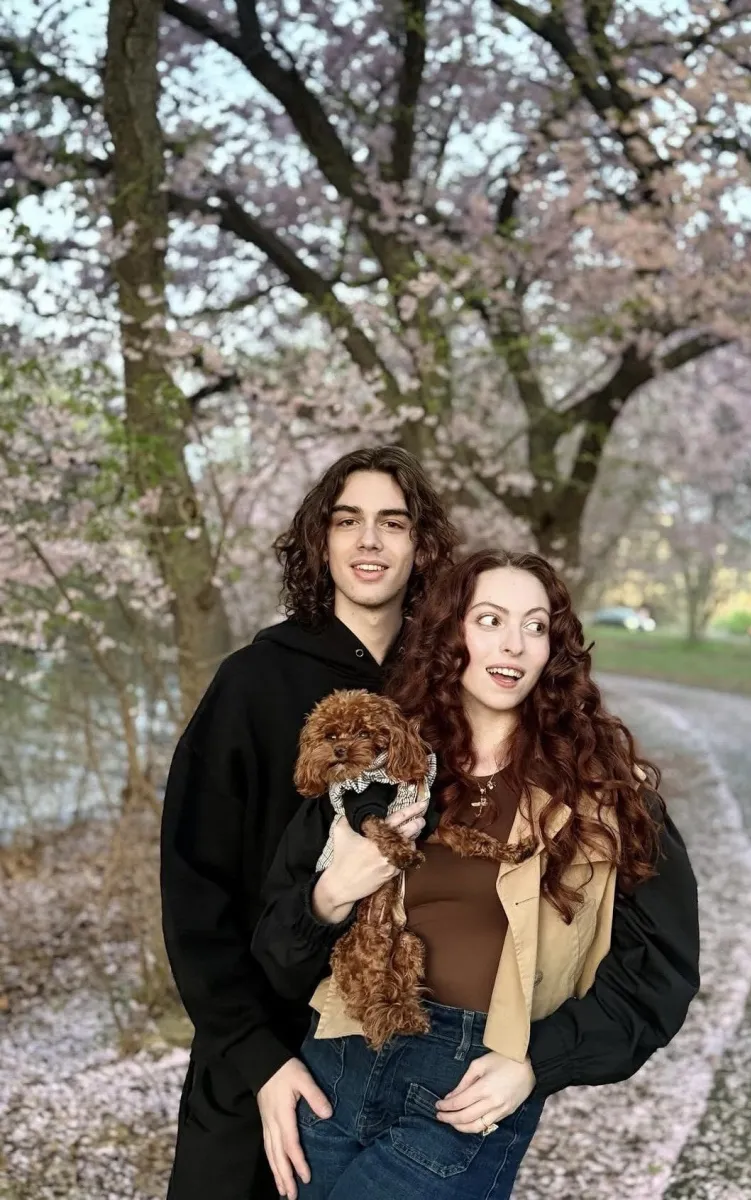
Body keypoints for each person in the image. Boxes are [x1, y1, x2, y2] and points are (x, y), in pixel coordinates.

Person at [252, 549, 700, 1200]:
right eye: (489, 620)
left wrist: (537, 1061)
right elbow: (274, 947)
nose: (512, 644)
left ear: (554, 650)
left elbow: (659, 972)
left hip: (465, 1086)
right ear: (449, 633)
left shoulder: (606, 797)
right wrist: (332, 894)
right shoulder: (378, 768)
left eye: (534, 626)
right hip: (337, 1059)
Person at [159, 446, 459, 1200]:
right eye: (347, 521)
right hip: (260, 1054)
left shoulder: (447, 690)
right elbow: (194, 892)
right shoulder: (251, 682)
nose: (368, 541)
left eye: (392, 523)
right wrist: (258, 1059)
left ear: (421, 546)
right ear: (319, 542)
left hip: (403, 1063)